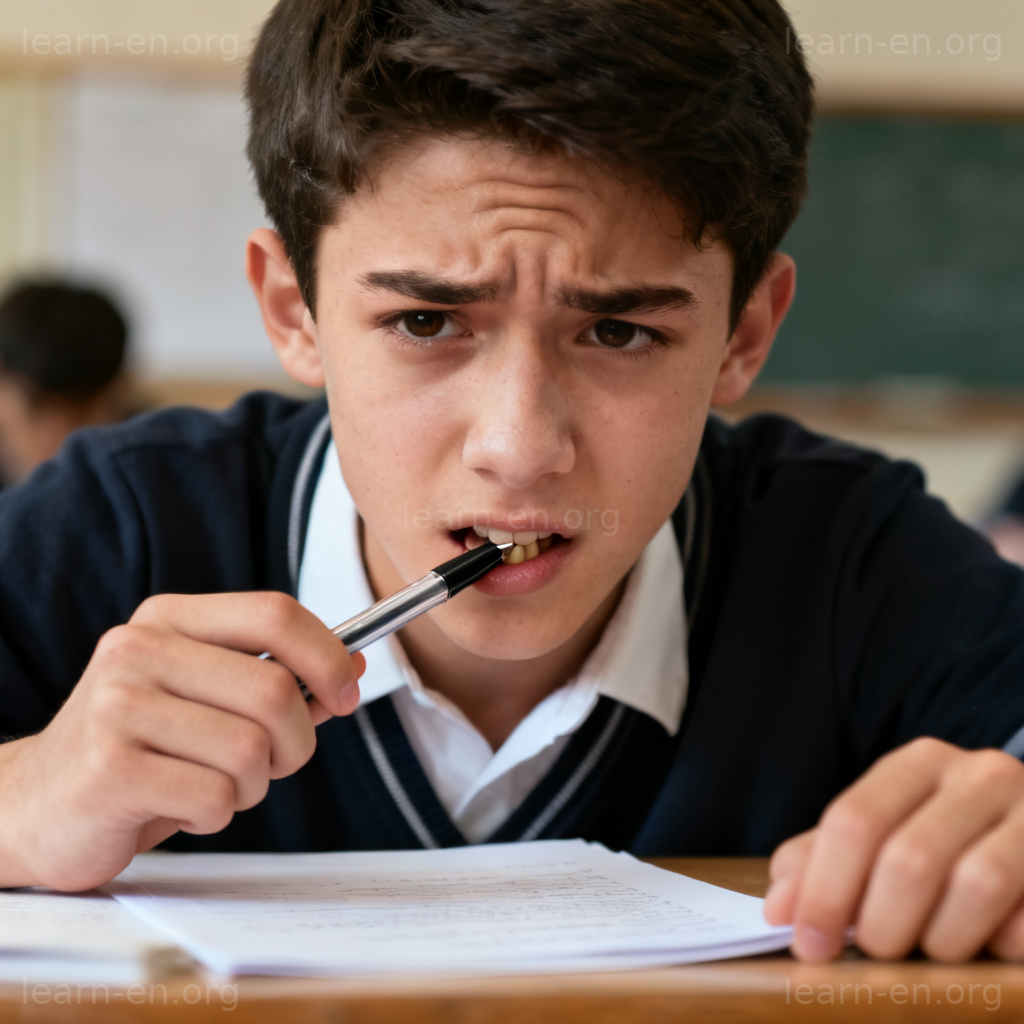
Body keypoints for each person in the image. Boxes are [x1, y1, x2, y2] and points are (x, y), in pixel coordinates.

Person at [0, 0, 1022, 967]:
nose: (520, 446)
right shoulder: (116, 525)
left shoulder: (857, 560)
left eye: (619, 331)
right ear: (292, 310)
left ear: (743, 334)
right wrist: (22, 798)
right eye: (426, 323)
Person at [0, 279, 132, 488]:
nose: (59, 437)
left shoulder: (152, 465)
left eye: (81, 410)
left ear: (119, 391)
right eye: (37, 406)